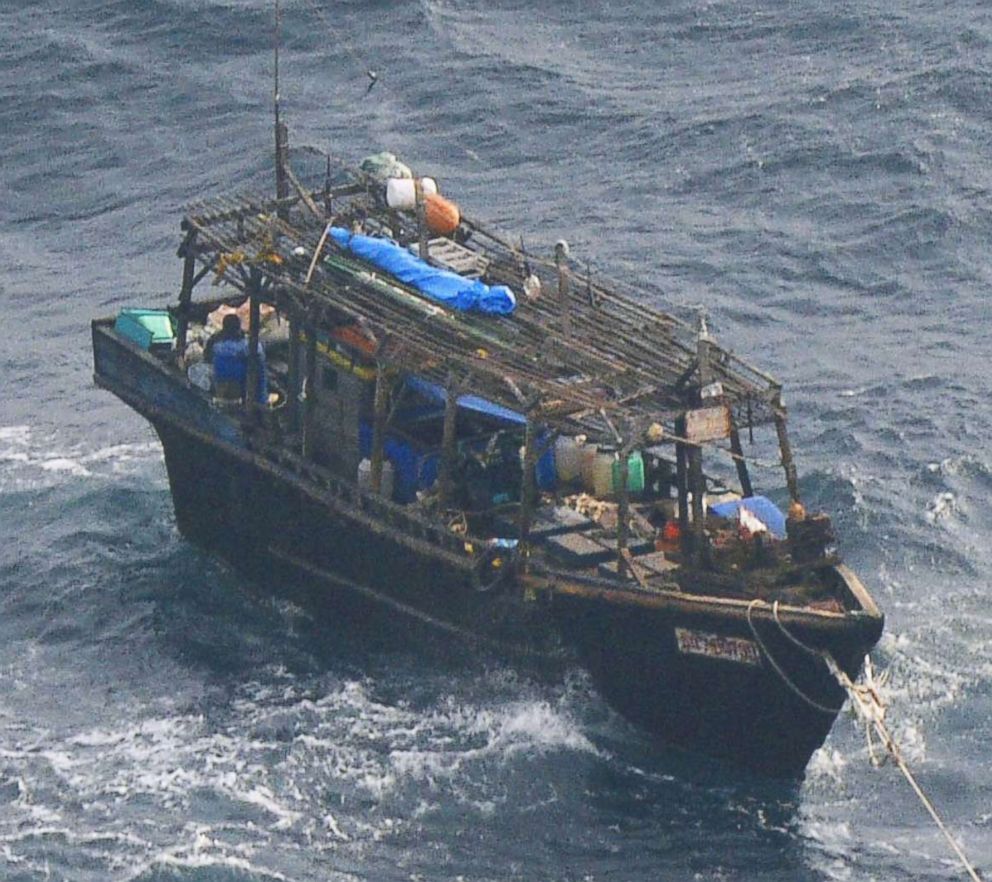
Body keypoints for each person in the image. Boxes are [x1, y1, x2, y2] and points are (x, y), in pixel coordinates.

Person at [204, 313, 267, 403]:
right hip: (240, 386)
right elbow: (261, 369)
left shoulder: (215, 341)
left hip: (220, 383)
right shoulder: (246, 346)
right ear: (238, 327)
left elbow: (207, 357)